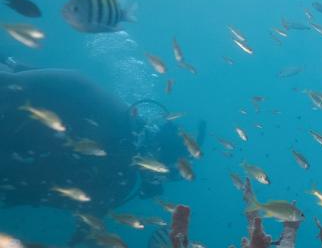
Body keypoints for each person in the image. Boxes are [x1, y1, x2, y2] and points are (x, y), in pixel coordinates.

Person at [0, 59, 194, 213]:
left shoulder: (117, 188)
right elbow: (74, 82)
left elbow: (82, 211)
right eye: (159, 167)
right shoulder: (112, 114)